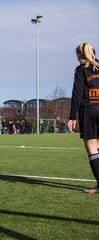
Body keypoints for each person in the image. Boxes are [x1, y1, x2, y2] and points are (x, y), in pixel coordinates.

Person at [68, 42, 99, 194]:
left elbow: (77, 93)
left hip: (89, 110)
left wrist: (72, 116)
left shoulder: (81, 70)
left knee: (92, 147)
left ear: (80, 55)